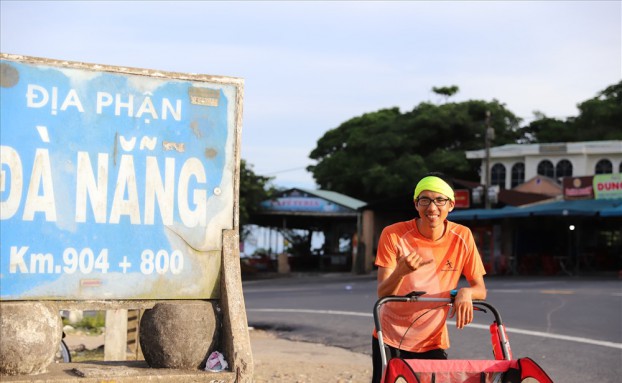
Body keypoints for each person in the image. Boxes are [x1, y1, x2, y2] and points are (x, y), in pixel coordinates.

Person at [371, 173, 487, 383]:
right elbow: (383, 293)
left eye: (440, 200)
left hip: (433, 339)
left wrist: (465, 292)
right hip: (390, 336)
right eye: (424, 200)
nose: (432, 208)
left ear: (451, 205)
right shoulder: (393, 234)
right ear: (416, 204)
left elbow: (480, 287)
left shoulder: (463, 236)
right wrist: (400, 272)